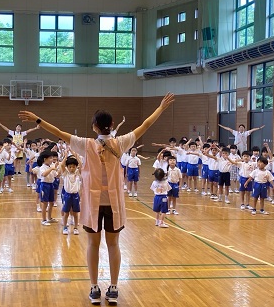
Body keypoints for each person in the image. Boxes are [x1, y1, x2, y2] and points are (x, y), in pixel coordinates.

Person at [18, 92, 174, 305]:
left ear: (94, 127)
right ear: (111, 124)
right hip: (114, 204)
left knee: (93, 244)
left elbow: (58, 132)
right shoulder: (121, 143)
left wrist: (38, 119)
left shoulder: (86, 144)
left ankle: (94, 288)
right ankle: (113, 287)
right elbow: (145, 125)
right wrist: (161, 108)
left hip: (93, 204)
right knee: (113, 244)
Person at [60, 153, 82, 235]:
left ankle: (76, 228)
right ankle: (65, 227)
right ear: (67, 167)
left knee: (76, 213)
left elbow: (81, 165)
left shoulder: (77, 174)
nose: (72, 168)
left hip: (75, 195)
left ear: (76, 167)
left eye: (73, 166)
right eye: (70, 167)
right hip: (67, 195)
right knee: (66, 213)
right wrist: (65, 156)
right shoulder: (65, 174)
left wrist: (77, 156)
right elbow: (62, 165)